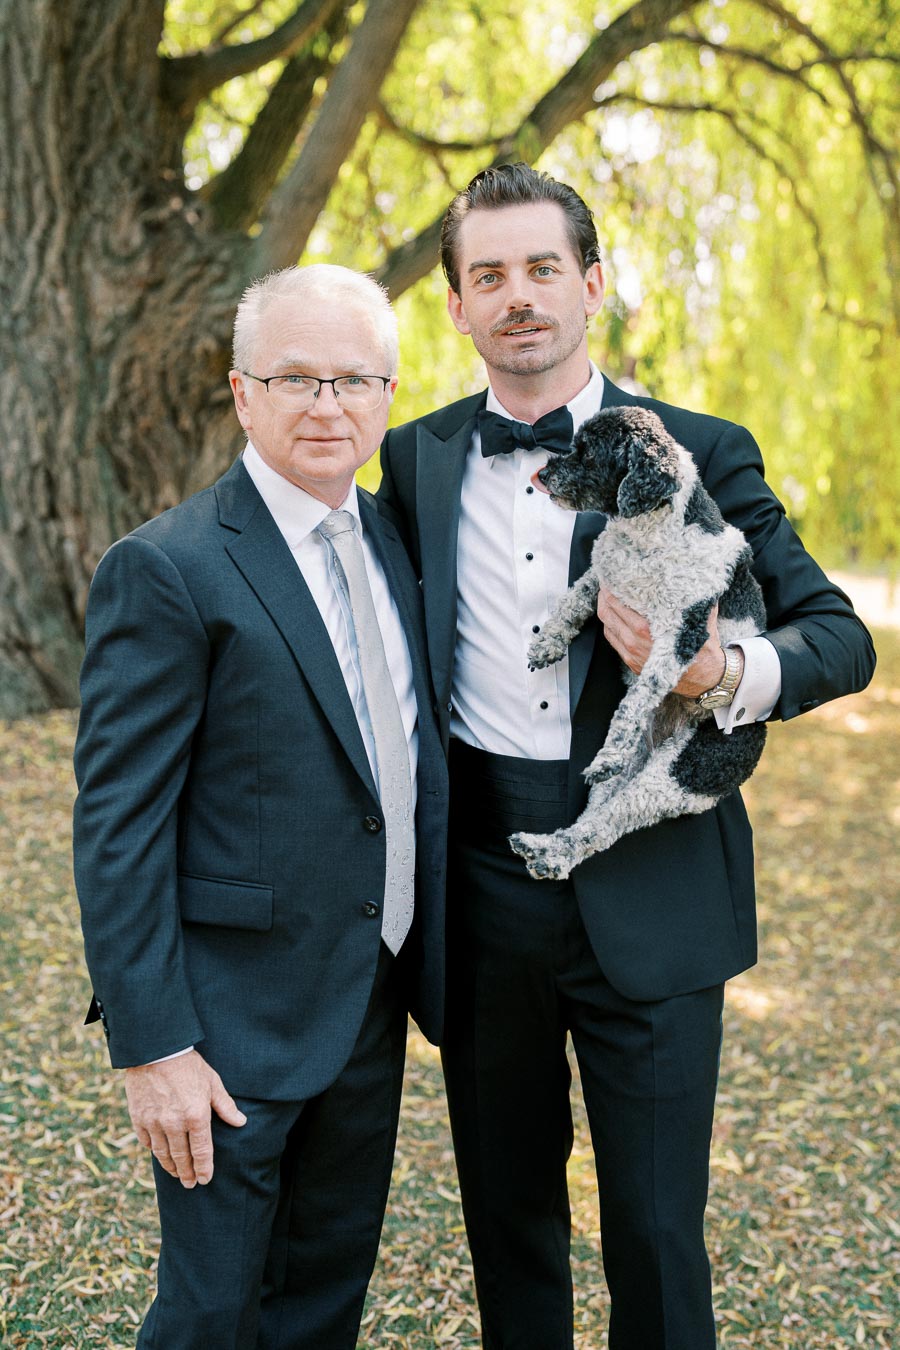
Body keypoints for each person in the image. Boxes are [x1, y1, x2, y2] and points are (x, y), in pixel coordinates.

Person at [377, 164, 875, 1350]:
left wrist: (718, 673)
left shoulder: (701, 448)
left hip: (655, 877)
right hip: (482, 885)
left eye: (543, 268)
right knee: (508, 1222)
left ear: (592, 284)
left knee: (654, 1232)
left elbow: (839, 637)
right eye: (490, 274)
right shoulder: (413, 460)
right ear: (456, 304)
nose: (519, 295)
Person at [73, 263, 448, 1350]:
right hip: (227, 1027)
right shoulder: (168, 567)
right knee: (210, 1313)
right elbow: (119, 825)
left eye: (353, 379)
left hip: (369, 999)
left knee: (324, 1300)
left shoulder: (399, 546)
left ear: (387, 395)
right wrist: (155, 1048)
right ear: (244, 394)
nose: (328, 405)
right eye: (296, 379)